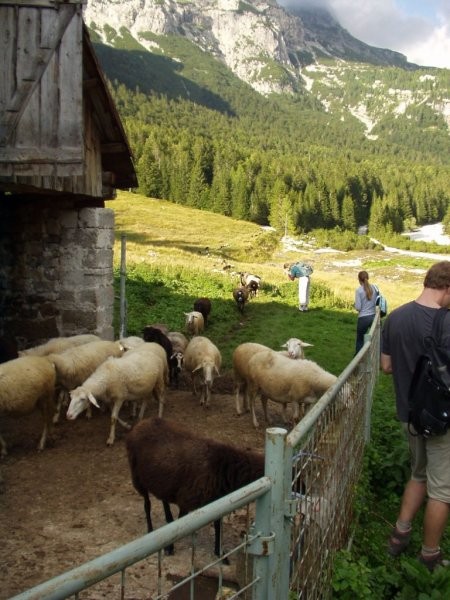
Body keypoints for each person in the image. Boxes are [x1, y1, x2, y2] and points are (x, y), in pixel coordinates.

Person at [380, 260, 450, 571]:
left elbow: (386, 366)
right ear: (447, 288)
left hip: (409, 416)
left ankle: (399, 535)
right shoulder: (447, 322)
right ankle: (430, 554)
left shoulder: (395, 317)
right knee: (442, 489)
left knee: (418, 474)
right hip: (442, 420)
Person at [354, 270, 377, 354]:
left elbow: (358, 307)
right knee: (375, 339)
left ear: (359, 279)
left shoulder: (359, 290)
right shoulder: (374, 288)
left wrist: (355, 305)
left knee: (360, 339)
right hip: (374, 316)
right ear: (368, 278)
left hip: (363, 318)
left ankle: (358, 359)